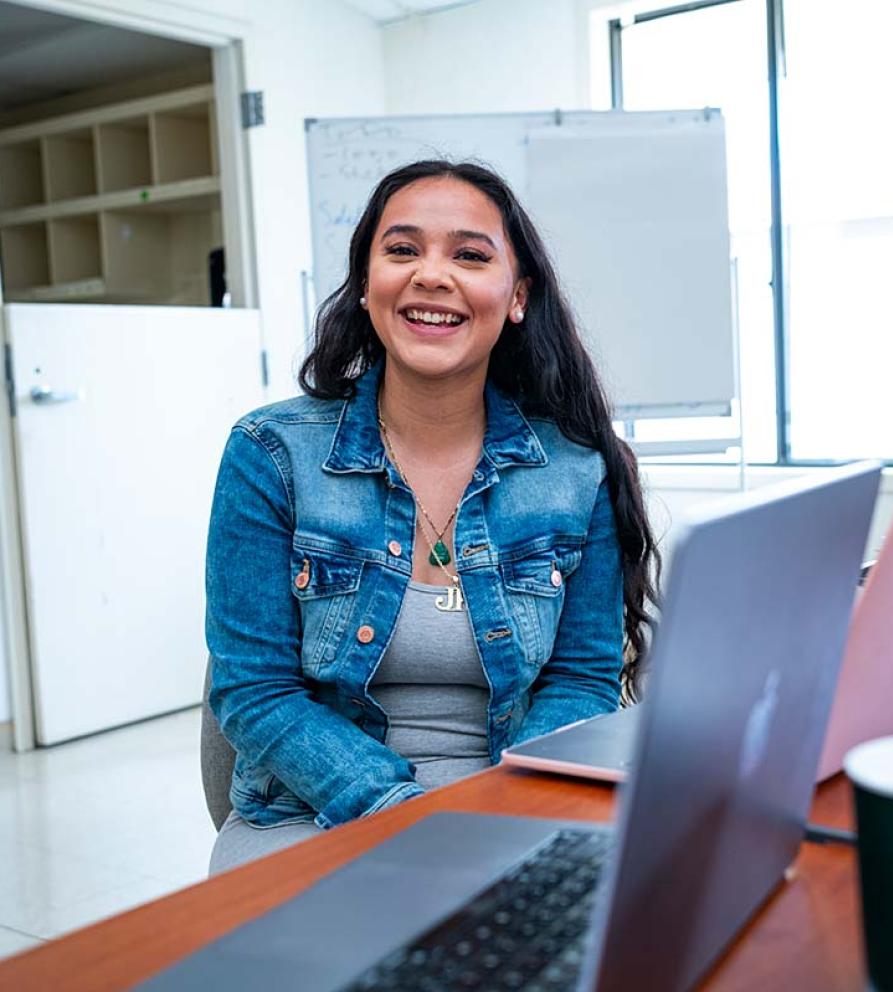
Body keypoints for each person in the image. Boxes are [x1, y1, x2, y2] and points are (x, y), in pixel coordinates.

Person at [206, 160, 659, 873]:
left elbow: (581, 680)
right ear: (366, 284)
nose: (432, 275)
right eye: (403, 249)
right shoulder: (270, 454)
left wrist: (510, 808)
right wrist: (410, 815)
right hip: (310, 809)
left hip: (511, 804)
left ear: (516, 297)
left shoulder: (578, 470)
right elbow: (253, 692)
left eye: (471, 256)